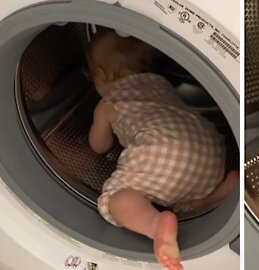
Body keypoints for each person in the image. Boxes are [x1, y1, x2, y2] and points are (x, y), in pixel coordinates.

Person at [86, 28, 239, 270]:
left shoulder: (107, 104)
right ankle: (213, 195)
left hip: (160, 154)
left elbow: (99, 146)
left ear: (100, 75)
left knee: (115, 200)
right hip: (210, 150)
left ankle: (155, 225)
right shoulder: (161, 83)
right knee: (178, 189)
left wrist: (102, 125)